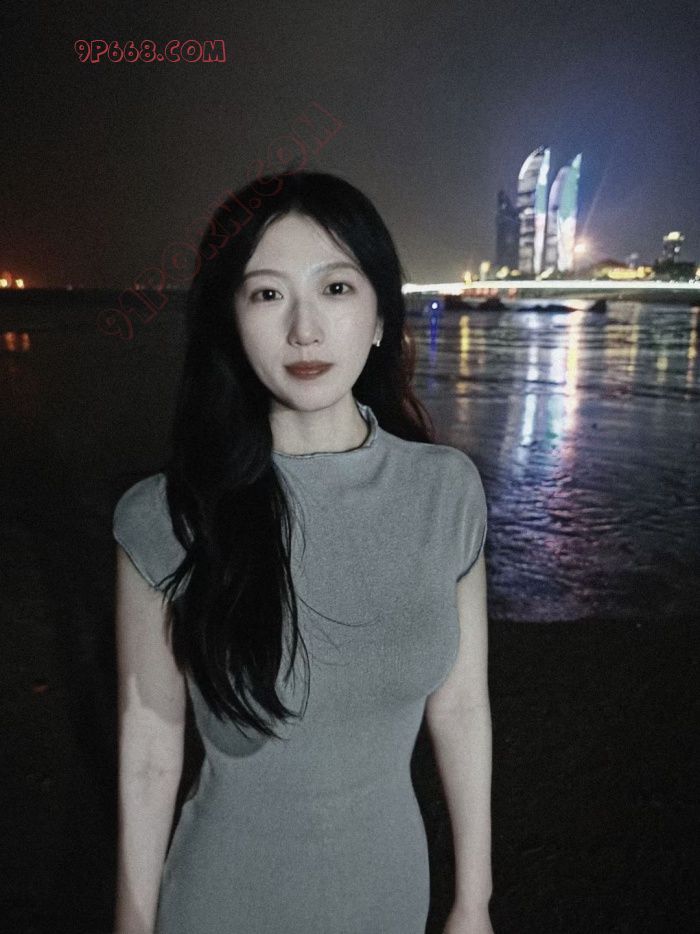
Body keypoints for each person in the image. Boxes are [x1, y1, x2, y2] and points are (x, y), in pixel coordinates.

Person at [112, 168, 493, 934]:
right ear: (231, 321)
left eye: (336, 288)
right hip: (222, 903)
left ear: (380, 317)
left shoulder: (446, 490)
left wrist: (473, 901)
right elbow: (151, 746)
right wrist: (131, 921)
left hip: (391, 899)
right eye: (266, 294)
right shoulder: (167, 516)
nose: (304, 330)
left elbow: (461, 707)